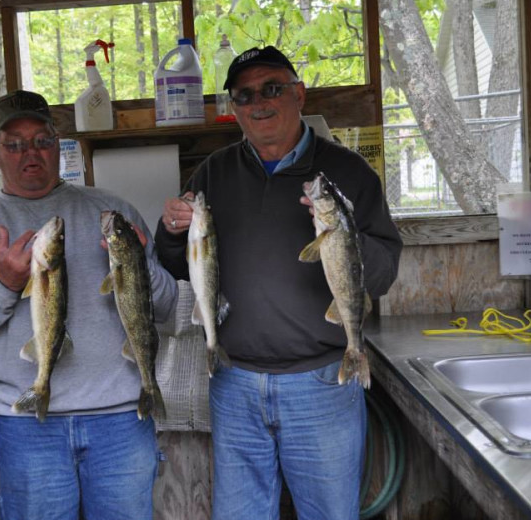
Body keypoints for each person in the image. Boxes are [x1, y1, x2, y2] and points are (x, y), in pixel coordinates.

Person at [155, 47, 403, 520]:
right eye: (244, 95)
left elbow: (384, 274)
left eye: (272, 88)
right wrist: (170, 231)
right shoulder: (214, 172)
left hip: (323, 382)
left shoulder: (348, 173)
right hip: (234, 383)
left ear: (298, 94)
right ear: (234, 109)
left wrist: (343, 230)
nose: (259, 102)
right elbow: (180, 265)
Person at [0, 90, 177, 520]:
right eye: (14, 143)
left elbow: (168, 311)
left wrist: (138, 265)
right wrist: (4, 283)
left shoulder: (112, 211)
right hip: (28, 428)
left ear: (59, 147)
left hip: (120, 422)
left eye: (41, 140)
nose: (30, 153)